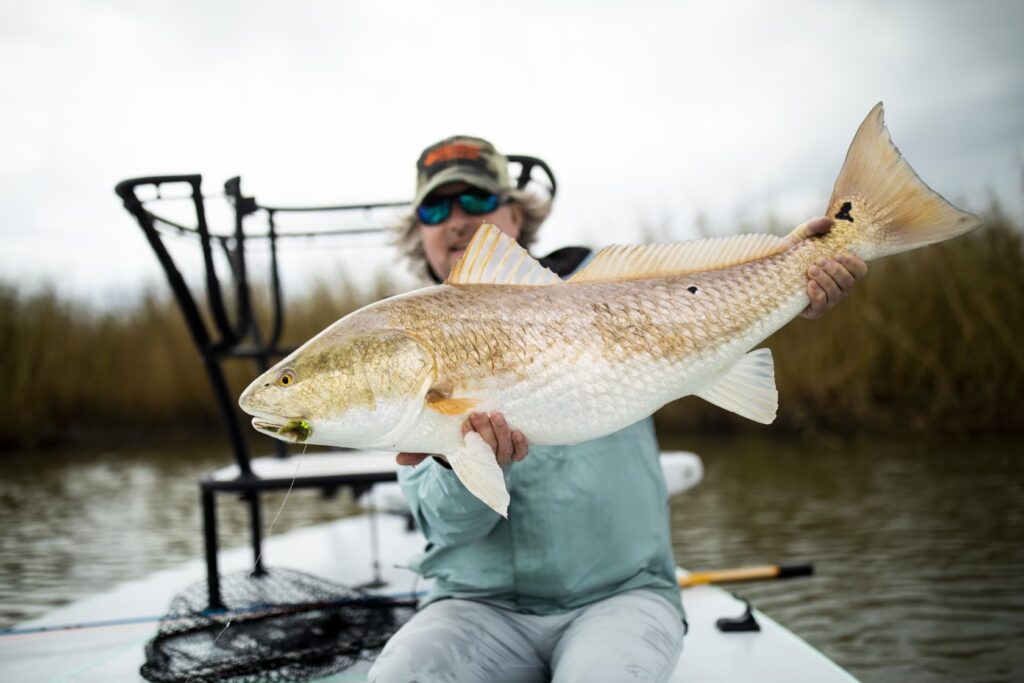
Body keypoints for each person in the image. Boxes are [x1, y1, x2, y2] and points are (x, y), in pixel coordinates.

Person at [368, 136, 867, 683]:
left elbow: (704, 291)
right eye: (436, 208)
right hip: (475, 606)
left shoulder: (606, 290)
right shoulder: (394, 345)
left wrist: (790, 263)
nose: (457, 221)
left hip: (623, 596)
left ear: (515, 212)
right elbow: (445, 529)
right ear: (419, 231)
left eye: (477, 201)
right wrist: (456, 460)